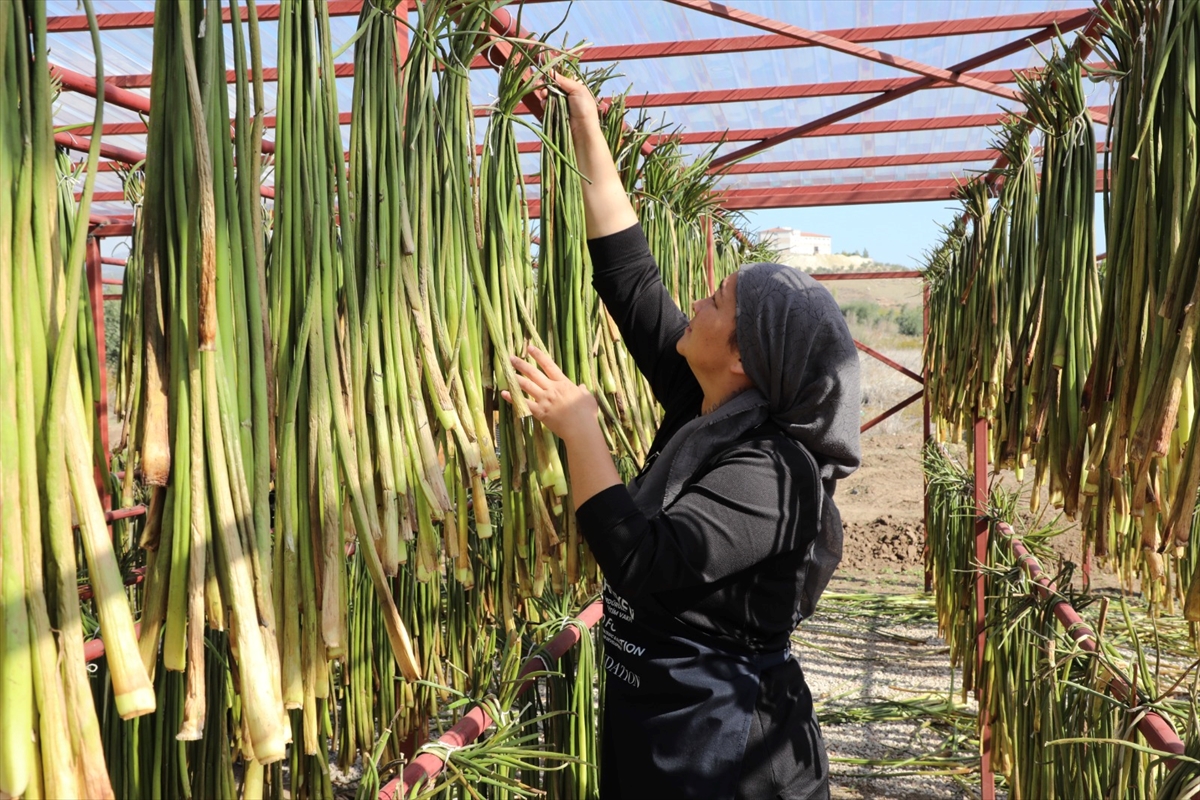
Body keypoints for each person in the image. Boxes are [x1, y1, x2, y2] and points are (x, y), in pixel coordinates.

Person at [501, 74, 861, 800]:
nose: (696, 301)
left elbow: (639, 558)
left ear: (745, 356)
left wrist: (581, 428)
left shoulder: (775, 474)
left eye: (718, 301)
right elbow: (629, 276)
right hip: (659, 718)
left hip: (732, 754)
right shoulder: (704, 400)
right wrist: (585, 124)